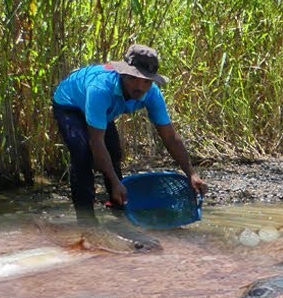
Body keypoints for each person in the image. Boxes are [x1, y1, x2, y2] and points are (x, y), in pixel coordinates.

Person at [51, 43, 208, 224]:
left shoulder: (152, 94)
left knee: (114, 152)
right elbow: (96, 142)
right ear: (124, 74)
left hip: (102, 109)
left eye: (147, 81)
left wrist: (191, 174)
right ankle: (86, 220)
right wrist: (115, 180)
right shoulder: (101, 89)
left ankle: (117, 202)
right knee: (82, 154)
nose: (140, 87)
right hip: (70, 103)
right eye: (134, 78)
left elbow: (170, 137)